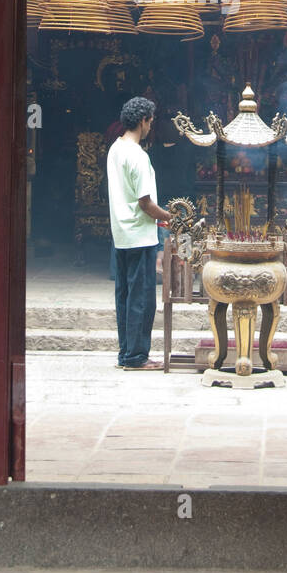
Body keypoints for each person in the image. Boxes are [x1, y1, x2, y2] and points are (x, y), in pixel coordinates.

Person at [106, 96, 169, 370]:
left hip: (121, 235)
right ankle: (136, 357)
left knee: (125, 297)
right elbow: (145, 204)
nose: (150, 127)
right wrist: (169, 217)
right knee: (142, 299)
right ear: (143, 121)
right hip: (141, 236)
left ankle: (126, 354)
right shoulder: (138, 156)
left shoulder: (115, 149)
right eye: (150, 121)